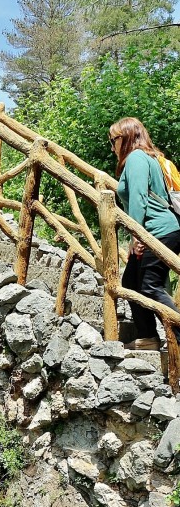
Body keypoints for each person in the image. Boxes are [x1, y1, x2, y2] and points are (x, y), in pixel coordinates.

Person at [109, 116, 180, 350]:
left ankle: (177, 335)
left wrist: (136, 236)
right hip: (158, 230)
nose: (112, 146)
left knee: (150, 286)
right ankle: (148, 336)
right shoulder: (148, 158)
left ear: (127, 137)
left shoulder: (136, 158)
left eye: (113, 139)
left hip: (158, 230)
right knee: (131, 281)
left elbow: (139, 199)